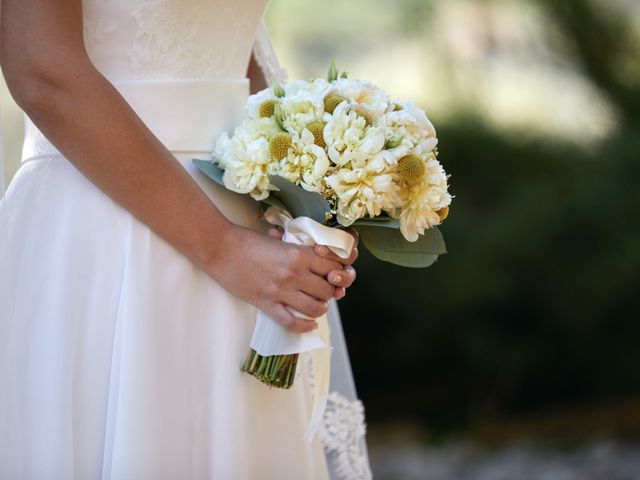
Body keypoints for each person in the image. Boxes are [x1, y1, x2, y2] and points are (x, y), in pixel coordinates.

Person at [0, 0, 370, 478]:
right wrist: (224, 248)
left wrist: (300, 195)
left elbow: (238, 48)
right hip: (106, 227)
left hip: (247, 228)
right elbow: (42, 70)